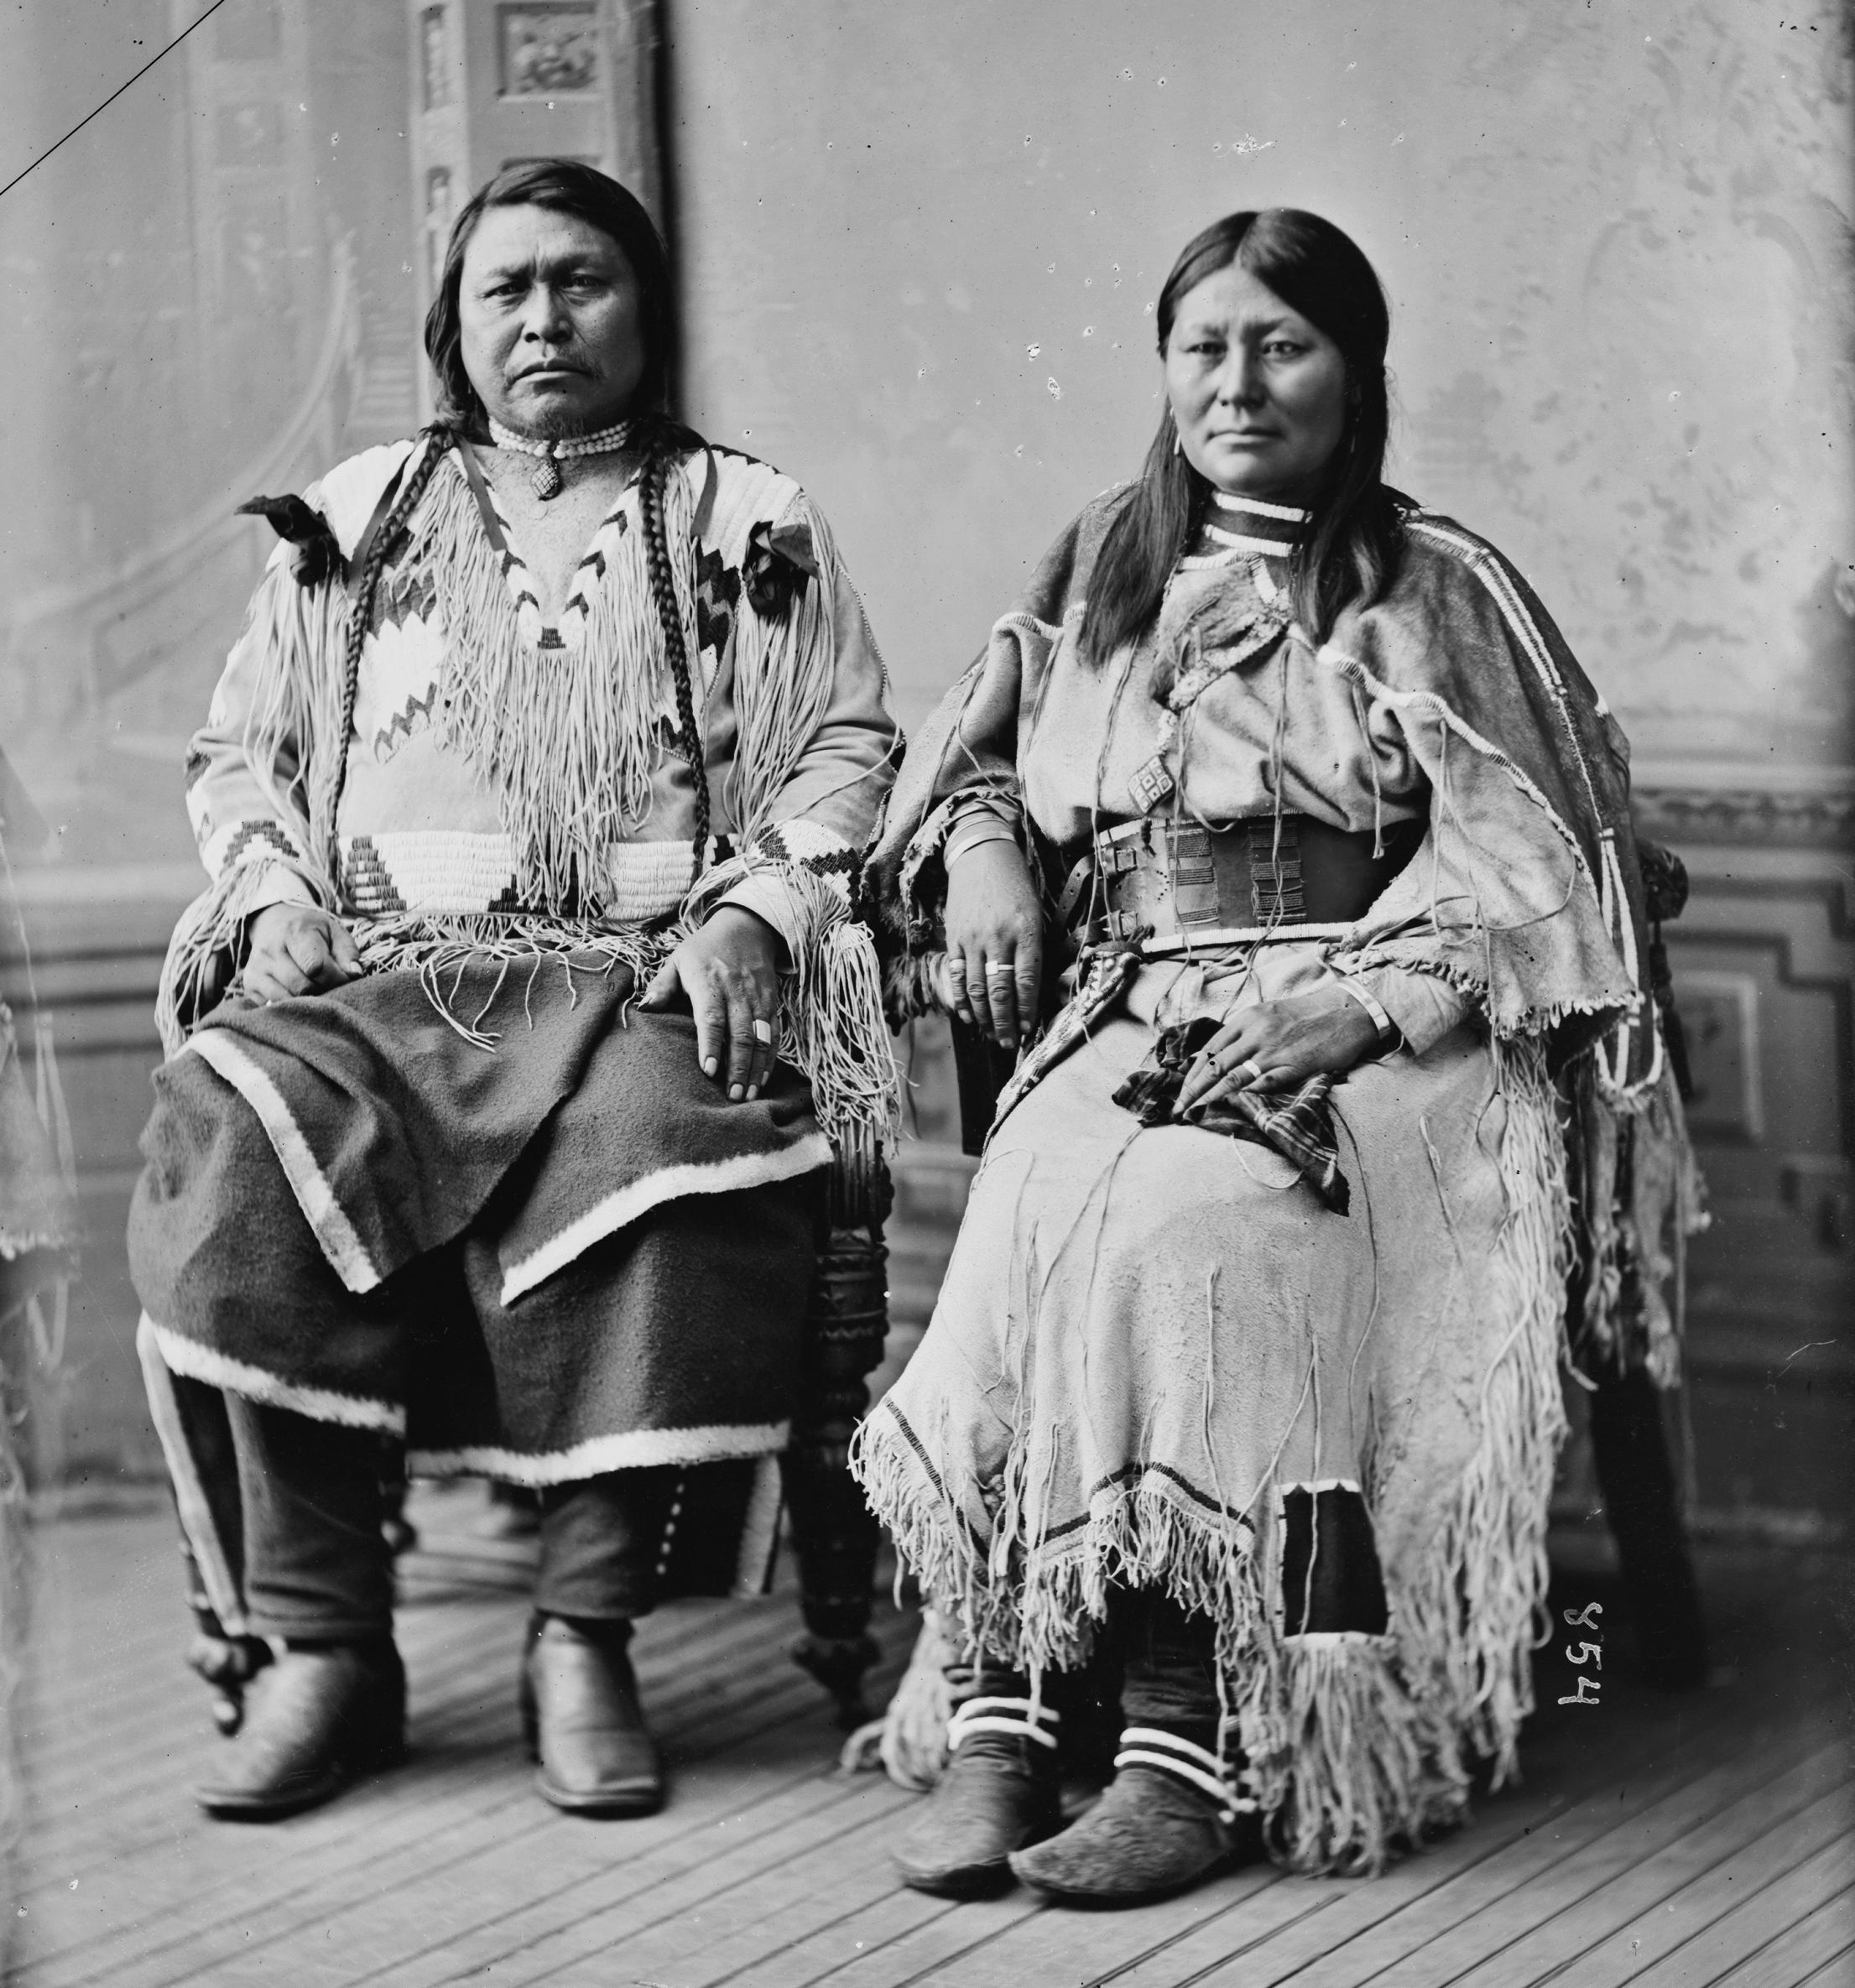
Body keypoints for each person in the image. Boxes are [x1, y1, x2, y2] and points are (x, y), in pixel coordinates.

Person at [852, 208, 1696, 1905]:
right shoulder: (1101, 565)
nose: (1236, 384)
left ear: (1355, 373)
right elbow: (968, 761)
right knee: (1029, 1207)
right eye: (1203, 348)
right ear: (1164, 370)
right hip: (1136, 997)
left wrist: (1363, 1001)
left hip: (1391, 1028)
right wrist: (987, 846)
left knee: (1203, 1222)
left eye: (1280, 346)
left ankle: (1194, 1733)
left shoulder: (1434, 586)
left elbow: (1542, 862)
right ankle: (1012, 1703)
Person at [129, 160, 900, 1822]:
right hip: (382, 978)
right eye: (507, 288)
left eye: (582, 281)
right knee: (237, 1135)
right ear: (457, 321)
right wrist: (273, 897)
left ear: (646, 309)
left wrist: (756, 911)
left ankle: (583, 1635)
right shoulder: (356, 514)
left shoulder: (744, 517)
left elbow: (844, 742)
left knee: (665, 1146)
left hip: (637, 980)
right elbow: (239, 752)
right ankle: (329, 1645)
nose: (544, 317)